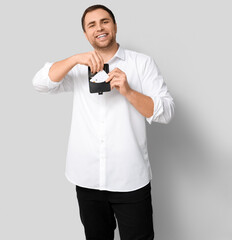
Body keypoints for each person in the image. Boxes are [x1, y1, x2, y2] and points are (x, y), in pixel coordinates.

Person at [32, 4, 174, 240]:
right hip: (87, 179)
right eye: (92, 25)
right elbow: (40, 83)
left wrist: (128, 92)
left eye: (105, 21)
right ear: (86, 34)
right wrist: (76, 59)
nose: (99, 28)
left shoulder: (142, 63)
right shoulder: (78, 68)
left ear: (115, 26)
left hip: (130, 178)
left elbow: (167, 112)